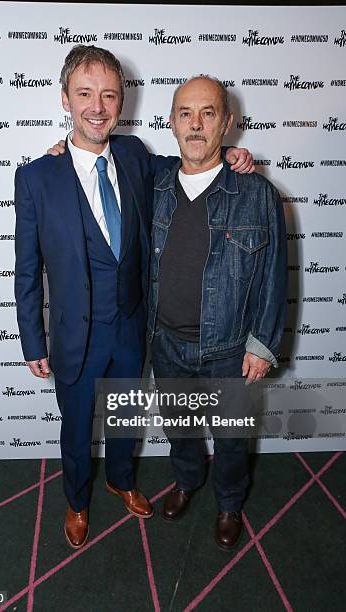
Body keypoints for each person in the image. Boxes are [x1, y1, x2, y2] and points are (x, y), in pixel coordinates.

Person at [15, 45, 253, 550]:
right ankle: (77, 502)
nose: (97, 107)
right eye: (85, 94)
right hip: (74, 337)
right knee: (77, 430)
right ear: (65, 100)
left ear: (121, 103)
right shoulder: (36, 177)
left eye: (108, 95)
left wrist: (229, 156)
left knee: (124, 420)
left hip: (130, 330)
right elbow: (27, 268)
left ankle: (121, 480)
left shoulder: (134, 155)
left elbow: (192, 160)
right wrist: (32, 340)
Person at [146, 76, 287, 551]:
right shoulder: (154, 186)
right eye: (185, 113)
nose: (196, 124)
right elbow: (97, 161)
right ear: (171, 121)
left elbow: (273, 276)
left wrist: (263, 344)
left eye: (208, 113)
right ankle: (187, 481)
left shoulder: (257, 194)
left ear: (227, 121)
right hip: (166, 344)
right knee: (179, 428)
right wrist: (63, 151)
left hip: (230, 350)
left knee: (231, 439)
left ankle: (229, 502)